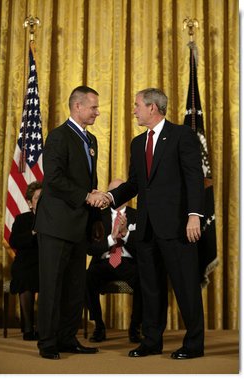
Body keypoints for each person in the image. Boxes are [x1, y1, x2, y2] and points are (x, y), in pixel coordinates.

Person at [100, 88, 205, 359]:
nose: (134, 110)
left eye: (137, 105)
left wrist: (194, 215)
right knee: (150, 288)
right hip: (146, 229)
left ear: (152, 108)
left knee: (185, 286)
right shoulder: (138, 143)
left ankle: (194, 344)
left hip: (178, 227)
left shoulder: (182, 135)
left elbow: (194, 178)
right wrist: (110, 196)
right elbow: (135, 184)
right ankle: (151, 341)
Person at [34, 85, 109, 360]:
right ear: (77, 106)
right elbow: (53, 178)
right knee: (53, 285)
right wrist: (87, 197)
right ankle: (48, 342)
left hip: (79, 226)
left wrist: (97, 219)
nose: (97, 112)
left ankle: (67, 337)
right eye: (94, 107)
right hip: (55, 225)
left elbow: (92, 183)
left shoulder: (91, 141)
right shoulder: (58, 137)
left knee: (75, 286)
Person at [86, 179, 142, 343]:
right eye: (112, 192)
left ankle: (135, 327)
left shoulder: (137, 215)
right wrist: (112, 238)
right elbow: (90, 249)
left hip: (128, 263)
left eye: (119, 192)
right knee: (87, 278)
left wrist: (125, 235)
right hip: (103, 262)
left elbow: (143, 250)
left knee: (144, 278)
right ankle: (98, 326)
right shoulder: (97, 217)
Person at [9, 180, 42, 341]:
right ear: (30, 202)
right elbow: (14, 242)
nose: (41, 201)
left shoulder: (53, 219)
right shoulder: (22, 220)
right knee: (25, 276)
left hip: (44, 261)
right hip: (25, 262)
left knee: (47, 276)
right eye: (37, 198)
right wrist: (33, 233)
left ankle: (44, 327)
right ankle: (28, 328)